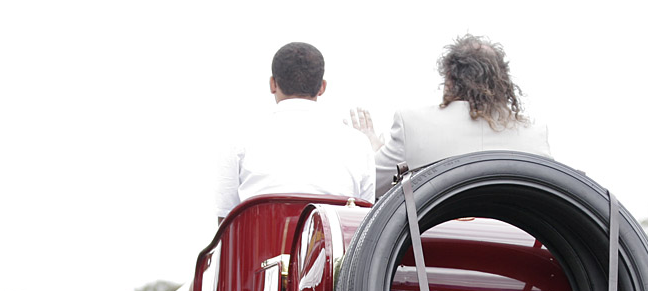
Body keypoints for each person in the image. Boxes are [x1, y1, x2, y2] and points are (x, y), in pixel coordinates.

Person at [351, 34, 552, 197]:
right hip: (514, 244)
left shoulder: (413, 125)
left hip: (430, 245)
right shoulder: (535, 136)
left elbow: (370, 186)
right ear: (503, 82)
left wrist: (372, 149)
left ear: (449, 79)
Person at [214, 41, 375, 222]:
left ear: (272, 84)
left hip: (259, 248)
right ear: (322, 87)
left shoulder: (240, 139)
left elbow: (225, 222)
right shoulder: (358, 143)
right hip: (331, 250)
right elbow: (364, 220)